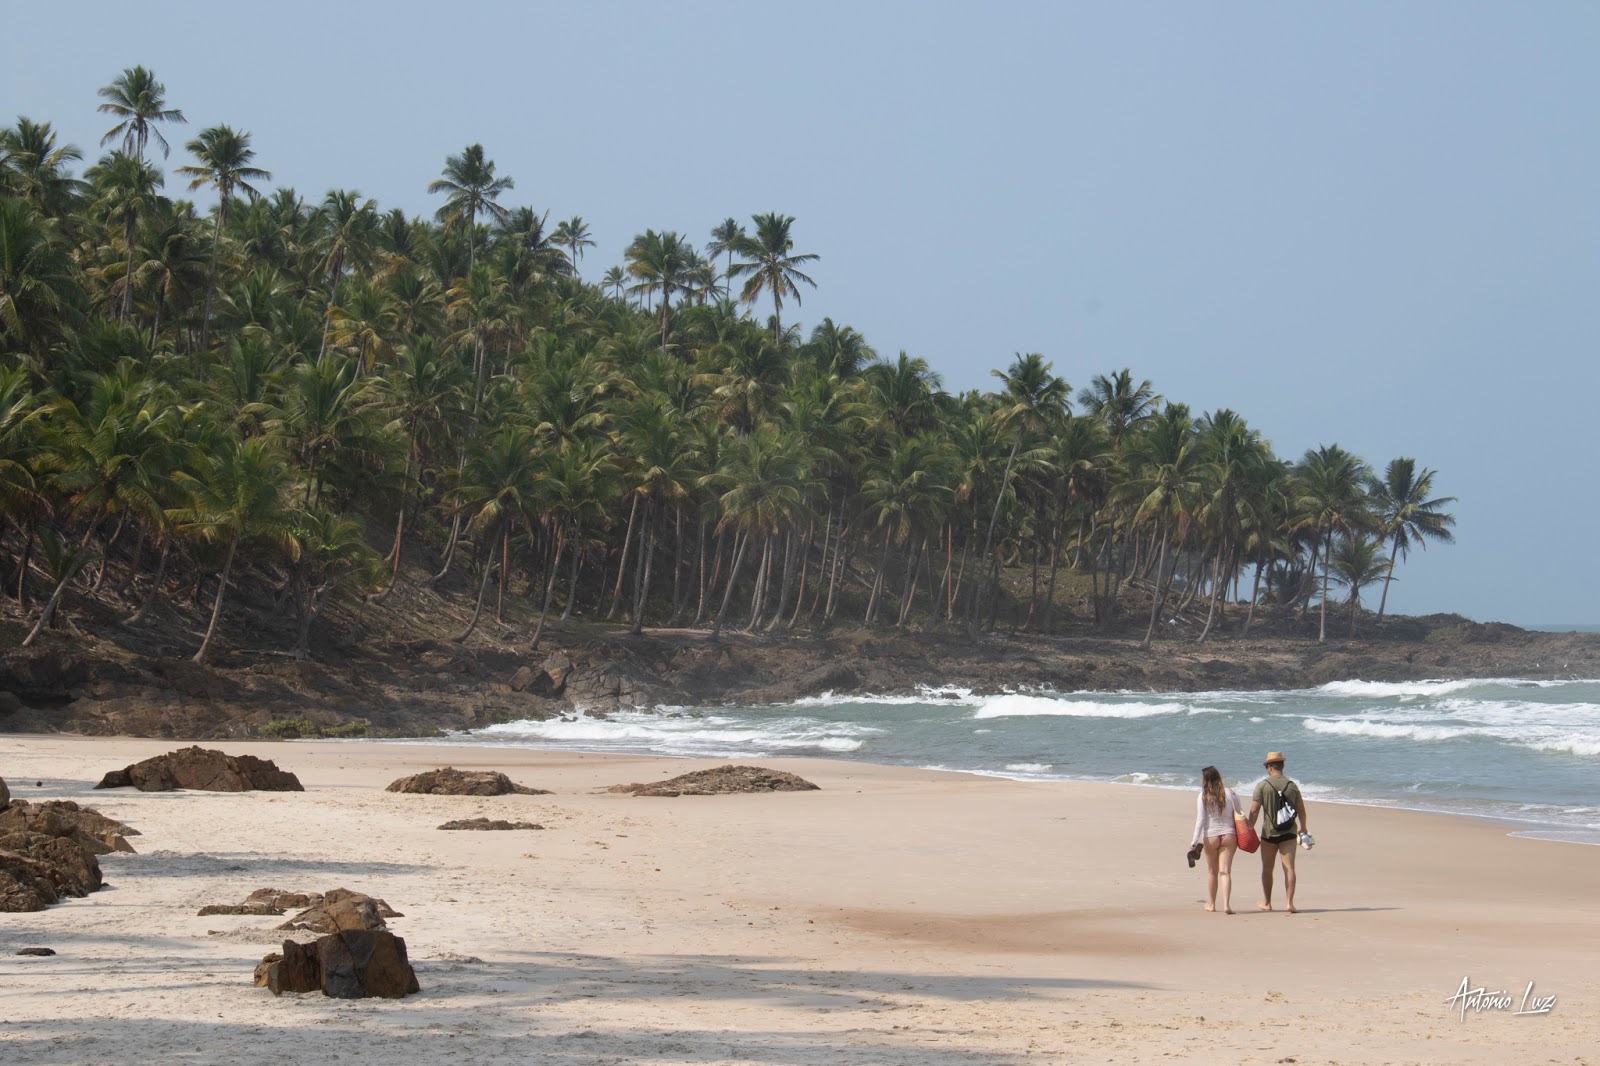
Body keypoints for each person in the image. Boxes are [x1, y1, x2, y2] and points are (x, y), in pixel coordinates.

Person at [1248, 750, 1308, 913]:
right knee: (1289, 868)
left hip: (1269, 833)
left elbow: (1254, 811)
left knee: (1267, 868)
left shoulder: (1262, 786)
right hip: (1289, 832)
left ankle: (1267, 902)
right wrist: (1303, 827)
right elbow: (1301, 810)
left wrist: (1248, 829)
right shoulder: (1292, 785)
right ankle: (1289, 903)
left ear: (1269, 767)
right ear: (1282, 766)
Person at [1188, 765, 1239, 914]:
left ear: (1205, 780)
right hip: (1229, 835)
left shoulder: (1203, 795)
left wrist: (1194, 841)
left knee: (1212, 871)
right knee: (1225, 871)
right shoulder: (1231, 793)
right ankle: (1227, 905)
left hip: (1211, 836)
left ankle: (1211, 904)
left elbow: (1201, 820)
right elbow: (1240, 814)